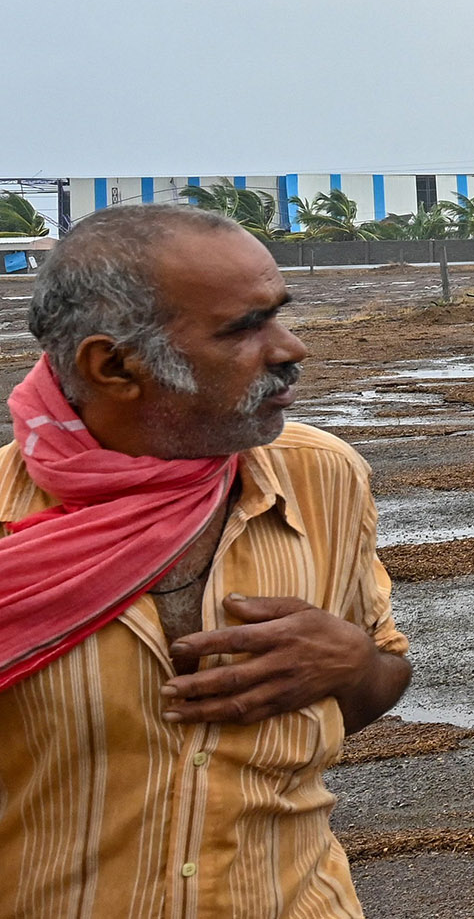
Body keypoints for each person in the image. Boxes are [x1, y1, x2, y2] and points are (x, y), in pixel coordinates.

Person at [0, 205, 411, 917]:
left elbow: (379, 676)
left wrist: (354, 665)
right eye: (244, 327)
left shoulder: (324, 478)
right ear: (115, 364)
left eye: (277, 314)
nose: (291, 348)